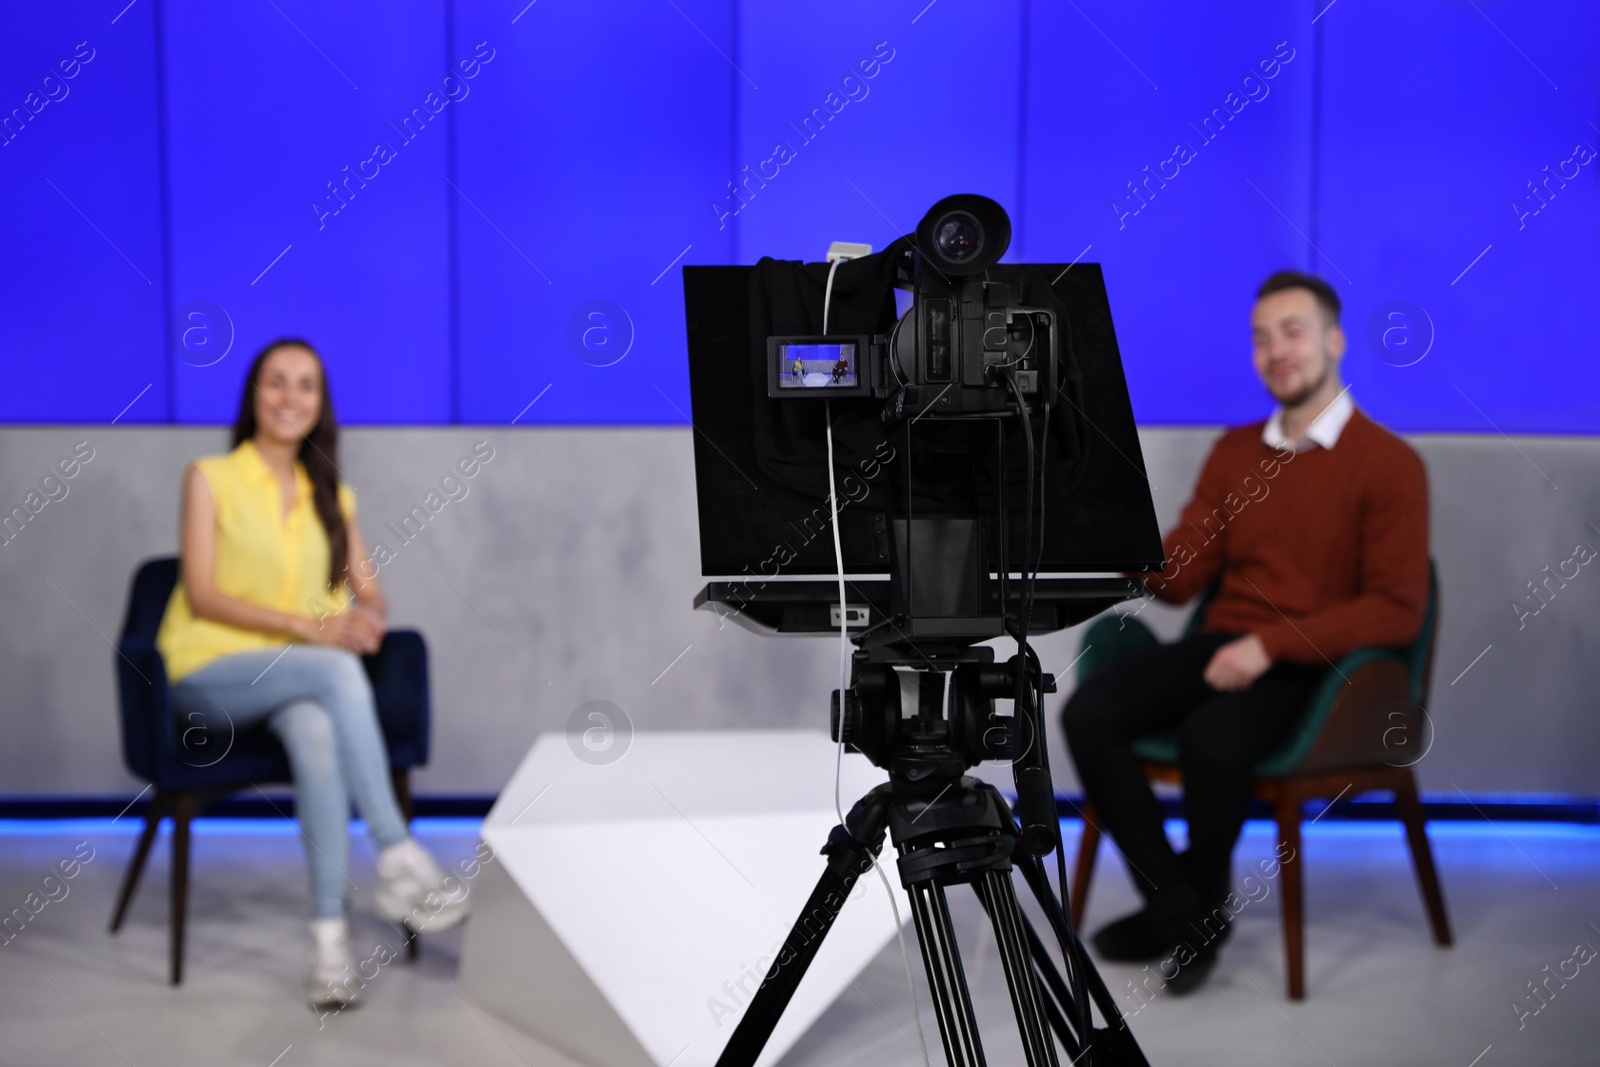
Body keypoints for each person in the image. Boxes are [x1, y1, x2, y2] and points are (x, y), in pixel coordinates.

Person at [1060, 271, 1429, 994]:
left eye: (1292, 332)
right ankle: (1183, 905)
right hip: (1224, 640)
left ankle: (1189, 904)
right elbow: (1187, 575)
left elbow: (1396, 608)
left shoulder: (1389, 464)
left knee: (1212, 739)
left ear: (1334, 339)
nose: (1275, 351)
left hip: (1318, 666)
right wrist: (1116, 543)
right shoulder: (1235, 452)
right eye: (1261, 338)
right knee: (1087, 711)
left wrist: (1271, 645)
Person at [155, 338, 469, 1010]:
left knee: (318, 729)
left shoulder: (333, 493)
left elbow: (369, 590)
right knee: (329, 672)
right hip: (208, 670)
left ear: (320, 404)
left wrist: (366, 618)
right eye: (276, 382)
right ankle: (395, 853)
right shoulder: (209, 477)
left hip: (295, 680)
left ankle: (329, 939)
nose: (290, 398)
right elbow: (203, 593)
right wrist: (315, 628)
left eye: (306, 386)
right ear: (253, 395)